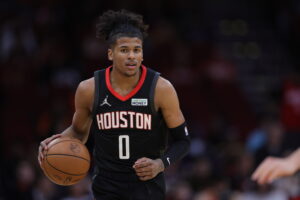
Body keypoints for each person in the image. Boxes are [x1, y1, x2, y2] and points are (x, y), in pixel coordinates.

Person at [38, 9, 190, 200]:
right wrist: (54, 143)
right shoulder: (89, 89)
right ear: (111, 53)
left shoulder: (161, 88)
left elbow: (183, 141)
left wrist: (161, 163)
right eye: (124, 50)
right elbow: (78, 132)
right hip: (106, 186)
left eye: (137, 50)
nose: (132, 56)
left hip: (147, 188)